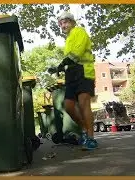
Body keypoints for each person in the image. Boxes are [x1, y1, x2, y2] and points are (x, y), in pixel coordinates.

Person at [48, 11, 98, 150]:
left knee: (83, 104)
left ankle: (91, 138)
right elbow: (70, 60)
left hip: (84, 72)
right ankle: (83, 129)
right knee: (68, 106)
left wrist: (62, 63)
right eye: (61, 23)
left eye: (65, 22)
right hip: (72, 75)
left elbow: (77, 53)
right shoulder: (68, 39)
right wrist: (58, 68)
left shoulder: (79, 31)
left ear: (72, 22)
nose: (63, 25)